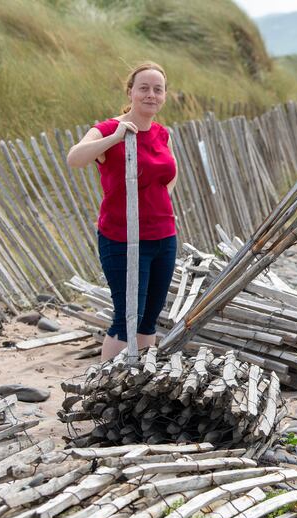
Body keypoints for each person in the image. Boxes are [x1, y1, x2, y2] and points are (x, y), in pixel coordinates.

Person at [67, 62, 178, 361]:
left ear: (165, 95)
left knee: (148, 317)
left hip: (164, 237)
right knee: (127, 315)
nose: (151, 95)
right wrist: (115, 138)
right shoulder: (107, 129)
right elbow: (74, 158)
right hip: (122, 238)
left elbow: (171, 175)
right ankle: (104, 388)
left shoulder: (161, 133)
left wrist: (152, 205)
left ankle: (139, 383)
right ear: (130, 92)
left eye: (158, 89)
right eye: (144, 88)